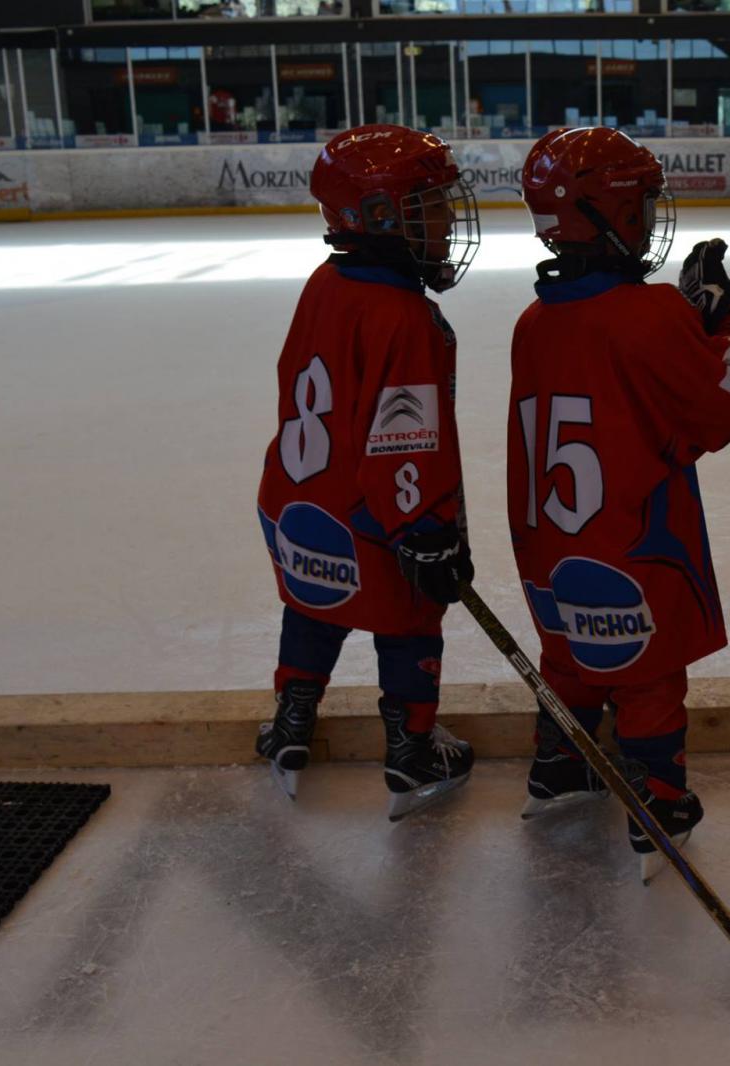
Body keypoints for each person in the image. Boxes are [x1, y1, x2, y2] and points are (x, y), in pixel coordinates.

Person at [507, 127, 730, 880]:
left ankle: (558, 768)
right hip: (634, 543)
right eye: (644, 204)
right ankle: (659, 799)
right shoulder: (650, 314)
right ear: (611, 213)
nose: (652, 217)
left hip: (552, 551)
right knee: (648, 674)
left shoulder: (534, 322)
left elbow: (617, 375)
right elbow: (721, 400)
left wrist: (682, 324)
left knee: (570, 659)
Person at [255, 125, 480, 818]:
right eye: (431, 205)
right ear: (379, 215)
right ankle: (411, 751)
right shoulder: (405, 316)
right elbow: (403, 443)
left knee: (312, 605)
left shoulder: (325, 284)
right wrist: (424, 529)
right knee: (411, 618)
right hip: (378, 514)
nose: (446, 219)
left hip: (302, 500)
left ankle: (292, 724)